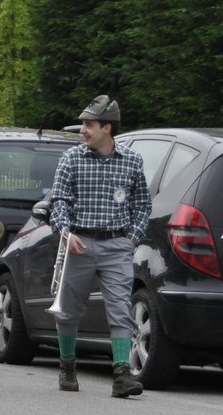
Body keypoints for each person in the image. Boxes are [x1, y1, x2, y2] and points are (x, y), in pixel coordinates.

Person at [47, 95, 151, 399]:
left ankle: (122, 375)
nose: (82, 130)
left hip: (117, 244)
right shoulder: (71, 158)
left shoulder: (132, 161)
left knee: (121, 310)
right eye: (83, 124)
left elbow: (142, 205)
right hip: (78, 242)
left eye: (89, 124)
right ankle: (67, 364)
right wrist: (66, 232)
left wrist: (131, 239)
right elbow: (59, 201)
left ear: (107, 128)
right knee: (67, 311)